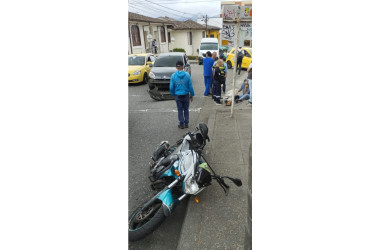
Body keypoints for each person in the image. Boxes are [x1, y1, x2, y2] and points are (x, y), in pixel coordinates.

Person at [170, 60, 195, 129]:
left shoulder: (173, 76)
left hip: (178, 95)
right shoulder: (187, 75)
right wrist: (192, 95)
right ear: (183, 66)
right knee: (186, 109)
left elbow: (171, 87)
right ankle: (186, 123)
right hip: (186, 95)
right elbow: (190, 86)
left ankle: (181, 124)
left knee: (180, 110)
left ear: (176, 67)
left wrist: (173, 94)